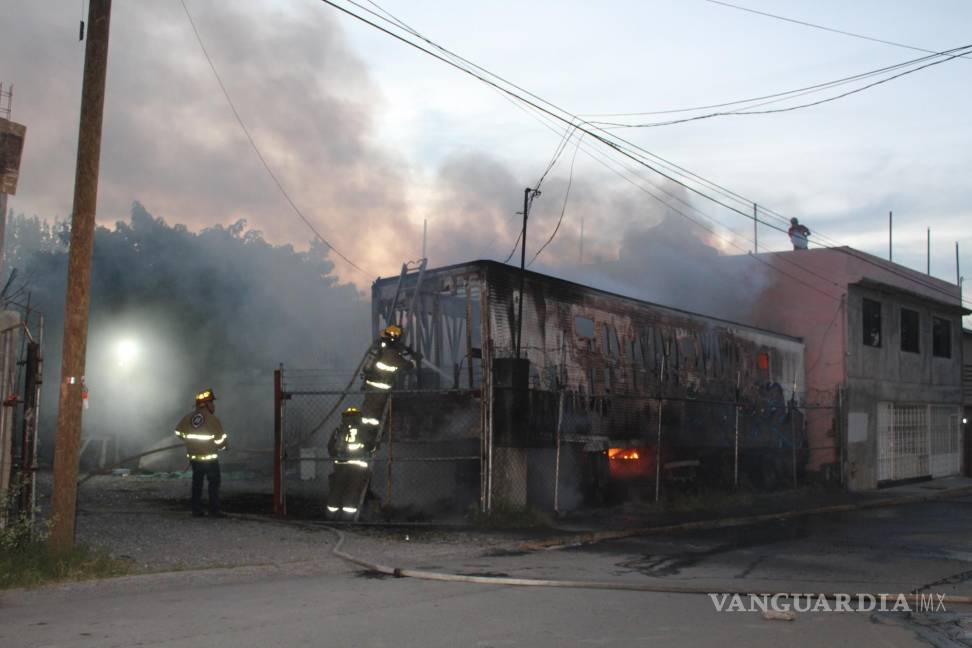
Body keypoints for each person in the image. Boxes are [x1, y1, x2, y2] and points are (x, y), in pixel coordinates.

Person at [174, 388, 228, 517]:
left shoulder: (187, 418)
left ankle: (196, 510)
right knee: (214, 483)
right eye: (212, 402)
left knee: (197, 483)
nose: (213, 405)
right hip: (210, 459)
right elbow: (220, 440)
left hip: (195, 458)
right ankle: (214, 511)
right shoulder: (212, 419)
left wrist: (189, 442)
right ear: (207, 404)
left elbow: (178, 432)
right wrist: (224, 447)